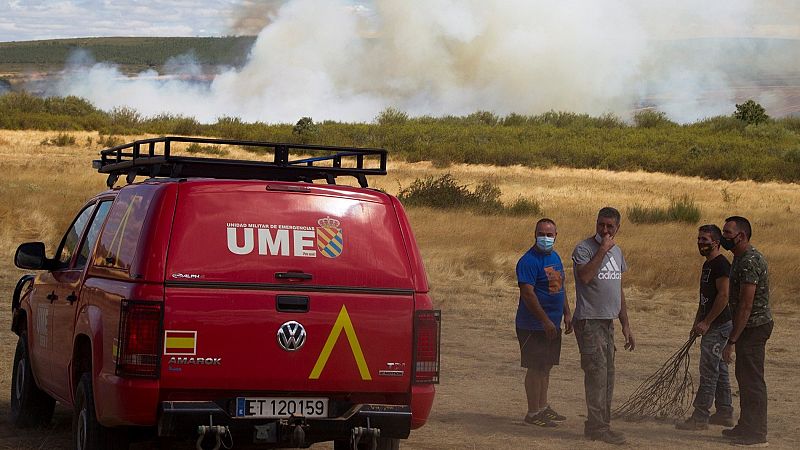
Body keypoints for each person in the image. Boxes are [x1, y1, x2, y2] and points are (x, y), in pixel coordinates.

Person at [572, 207, 634, 445]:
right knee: (596, 374)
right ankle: (598, 427)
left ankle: (600, 425)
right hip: (590, 320)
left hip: (608, 321)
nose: (604, 230)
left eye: (610, 226)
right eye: (601, 225)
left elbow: (618, 289)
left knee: (608, 375)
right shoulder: (584, 249)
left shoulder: (617, 252)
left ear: (618, 228)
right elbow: (585, 277)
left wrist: (625, 324)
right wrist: (602, 250)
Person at [720, 216, 773, 447]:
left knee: (752, 380)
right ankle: (745, 425)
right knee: (744, 376)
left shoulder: (750, 260)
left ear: (741, 236)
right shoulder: (740, 259)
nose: (724, 237)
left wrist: (732, 339)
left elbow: (746, 304)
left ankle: (756, 433)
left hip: (753, 327)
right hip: (747, 327)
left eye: (728, 233)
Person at [676, 224, 734, 430]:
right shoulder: (707, 264)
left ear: (716, 243)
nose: (700, 243)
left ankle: (700, 417)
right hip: (710, 323)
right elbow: (705, 299)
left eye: (705, 240)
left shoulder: (721, 265)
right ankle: (725, 412)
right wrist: (697, 321)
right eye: (699, 239)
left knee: (709, 370)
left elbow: (724, 296)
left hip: (719, 325)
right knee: (719, 368)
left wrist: (707, 322)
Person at [515, 218, 573, 427]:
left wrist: (566, 313)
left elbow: (559, 287)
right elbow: (528, 294)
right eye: (542, 234)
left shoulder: (555, 257)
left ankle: (543, 406)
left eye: (549, 235)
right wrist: (545, 321)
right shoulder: (528, 261)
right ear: (535, 234)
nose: (546, 238)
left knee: (546, 367)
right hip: (532, 325)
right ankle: (533, 412)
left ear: (556, 236)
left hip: (552, 324)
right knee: (535, 368)